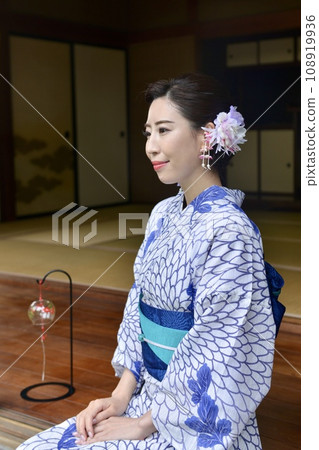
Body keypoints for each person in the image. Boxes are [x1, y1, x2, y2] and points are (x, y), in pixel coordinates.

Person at [17, 73, 280, 449]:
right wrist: (121, 397)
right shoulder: (161, 214)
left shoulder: (231, 231)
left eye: (163, 130)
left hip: (196, 414)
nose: (151, 146)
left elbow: (222, 349)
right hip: (147, 399)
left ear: (207, 135)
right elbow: (137, 307)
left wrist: (142, 425)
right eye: (147, 133)